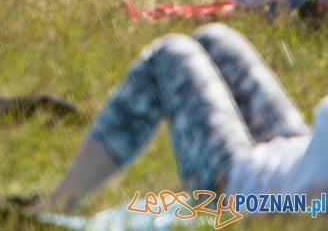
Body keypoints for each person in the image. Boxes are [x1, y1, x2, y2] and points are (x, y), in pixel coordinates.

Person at [38, 24, 328, 215]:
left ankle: (59, 203)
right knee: (215, 41)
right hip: (299, 156)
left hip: (241, 192)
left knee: (168, 56)